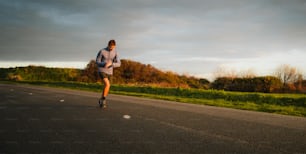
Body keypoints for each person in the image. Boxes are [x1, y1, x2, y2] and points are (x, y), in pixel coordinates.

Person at [96, 39, 121, 109]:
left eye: (112, 47)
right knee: (107, 84)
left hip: (110, 71)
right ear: (108, 45)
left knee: (107, 86)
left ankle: (101, 99)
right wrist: (104, 64)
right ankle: (104, 100)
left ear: (115, 46)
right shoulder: (102, 51)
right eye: (110, 47)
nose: (111, 49)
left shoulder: (115, 52)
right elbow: (97, 62)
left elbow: (119, 63)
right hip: (102, 70)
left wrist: (112, 64)